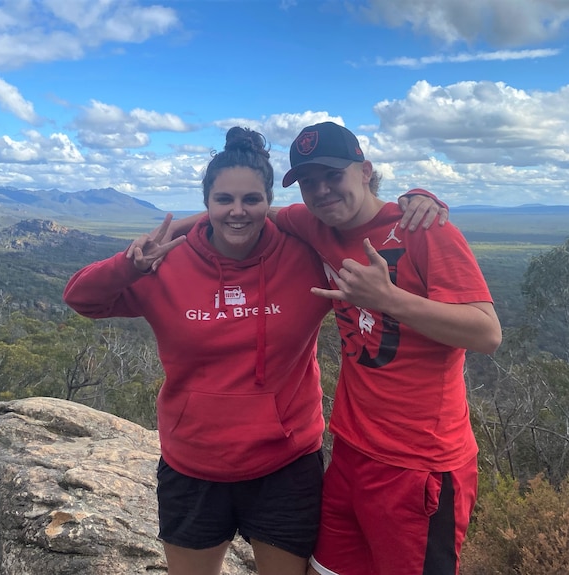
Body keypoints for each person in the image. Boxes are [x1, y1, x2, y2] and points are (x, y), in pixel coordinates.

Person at [63, 126, 444, 575]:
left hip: (285, 465)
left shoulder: (305, 254)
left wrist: (416, 201)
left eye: (252, 200)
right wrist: (130, 262)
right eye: (223, 200)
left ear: (271, 204)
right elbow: (82, 298)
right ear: (207, 203)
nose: (238, 212)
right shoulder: (164, 264)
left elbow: (359, 224)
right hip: (193, 464)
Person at [272, 121, 502, 575]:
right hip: (350, 453)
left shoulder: (424, 229)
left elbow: (486, 332)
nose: (320, 191)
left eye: (332, 176)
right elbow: (248, 213)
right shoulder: (317, 225)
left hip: (419, 466)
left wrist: (389, 299)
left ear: (365, 171)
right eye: (308, 182)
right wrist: (162, 238)